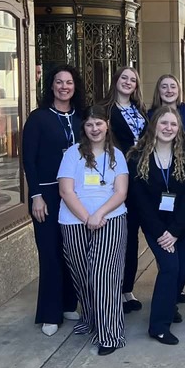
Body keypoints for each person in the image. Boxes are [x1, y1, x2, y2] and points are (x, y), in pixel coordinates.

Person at [57, 106, 129, 355]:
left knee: (103, 277)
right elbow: (66, 191)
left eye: (99, 123)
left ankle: (110, 334)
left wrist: (98, 215)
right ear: (83, 128)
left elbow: (121, 192)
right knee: (82, 275)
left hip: (110, 220)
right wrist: (87, 217)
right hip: (74, 222)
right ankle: (91, 318)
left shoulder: (117, 155)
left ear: (107, 125)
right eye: (89, 125)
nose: (95, 129)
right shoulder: (71, 155)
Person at [22, 65, 86, 336]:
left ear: (75, 87)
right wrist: (35, 195)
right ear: (51, 86)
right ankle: (50, 313)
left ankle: (69, 303)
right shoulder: (38, 118)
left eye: (69, 83)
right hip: (46, 195)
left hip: (74, 194)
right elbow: (29, 160)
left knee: (71, 250)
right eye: (58, 82)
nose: (63, 87)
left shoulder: (82, 117)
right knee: (49, 253)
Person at [128, 106, 185, 345]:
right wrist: (162, 233)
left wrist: (176, 231)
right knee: (169, 268)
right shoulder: (138, 156)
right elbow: (140, 201)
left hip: (184, 224)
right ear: (154, 125)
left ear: (179, 128)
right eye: (163, 123)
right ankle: (158, 326)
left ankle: (170, 303)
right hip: (156, 225)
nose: (168, 128)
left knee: (181, 272)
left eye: (173, 124)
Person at [102, 66, 147, 315]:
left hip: (142, 180)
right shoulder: (106, 110)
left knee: (133, 237)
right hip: (117, 180)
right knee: (119, 237)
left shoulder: (139, 110)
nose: (128, 82)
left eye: (133, 79)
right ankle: (114, 289)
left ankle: (127, 289)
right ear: (116, 80)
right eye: (124, 78)